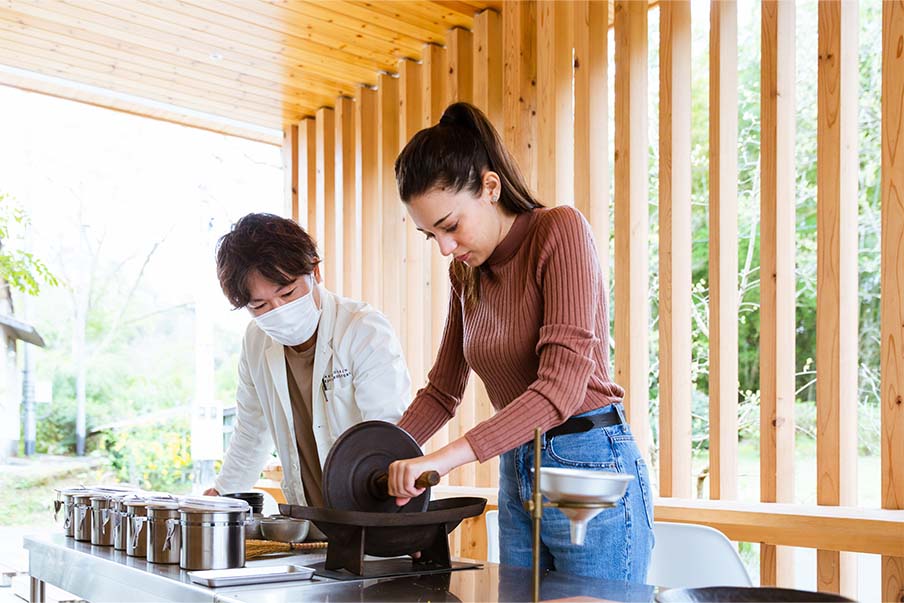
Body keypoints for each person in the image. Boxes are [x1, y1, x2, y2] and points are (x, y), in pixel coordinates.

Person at [387, 103, 654, 581]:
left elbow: (560, 390)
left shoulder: (559, 231)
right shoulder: (464, 274)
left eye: (450, 226)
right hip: (517, 462)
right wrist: (384, 453)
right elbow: (443, 390)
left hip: (586, 459)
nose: (446, 247)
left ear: (490, 188)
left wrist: (443, 460)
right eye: (431, 236)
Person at [204, 213, 411, 510]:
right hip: (309, 520)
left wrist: (402, 520)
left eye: (287, 293)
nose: (279, 311)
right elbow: (251, 432)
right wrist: (220, 497)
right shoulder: (255, 340)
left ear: (315, 271)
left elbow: (388, 433)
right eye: (259, 305)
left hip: (373, 517)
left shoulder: (362, 329)